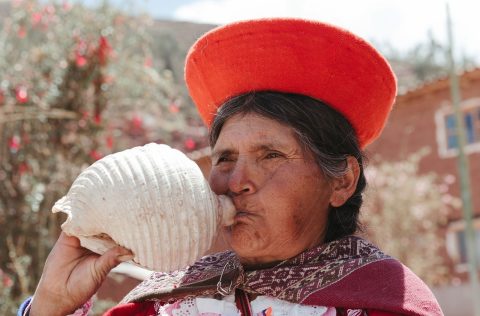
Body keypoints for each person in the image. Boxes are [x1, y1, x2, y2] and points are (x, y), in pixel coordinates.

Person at [19, 18, 444, 316]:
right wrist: (51, 307)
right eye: (224, 158)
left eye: (271, 155)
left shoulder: (385, 305)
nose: (235, 181)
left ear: (342, 180)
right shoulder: (161, 303)